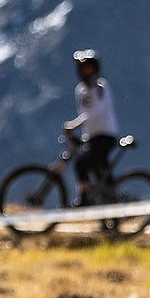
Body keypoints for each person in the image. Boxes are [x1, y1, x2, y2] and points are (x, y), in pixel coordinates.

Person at [63, 49, 120, 201]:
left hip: (105, 135)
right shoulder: (80, 90)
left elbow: (96, 111)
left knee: (87, 163)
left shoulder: (101, 87)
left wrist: (75, 124)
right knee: (86, 166)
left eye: (88, 67)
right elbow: (85, 112)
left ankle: (97, 199)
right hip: (90, 135)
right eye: (82, 68)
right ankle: (92, 198)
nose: (85, 71)